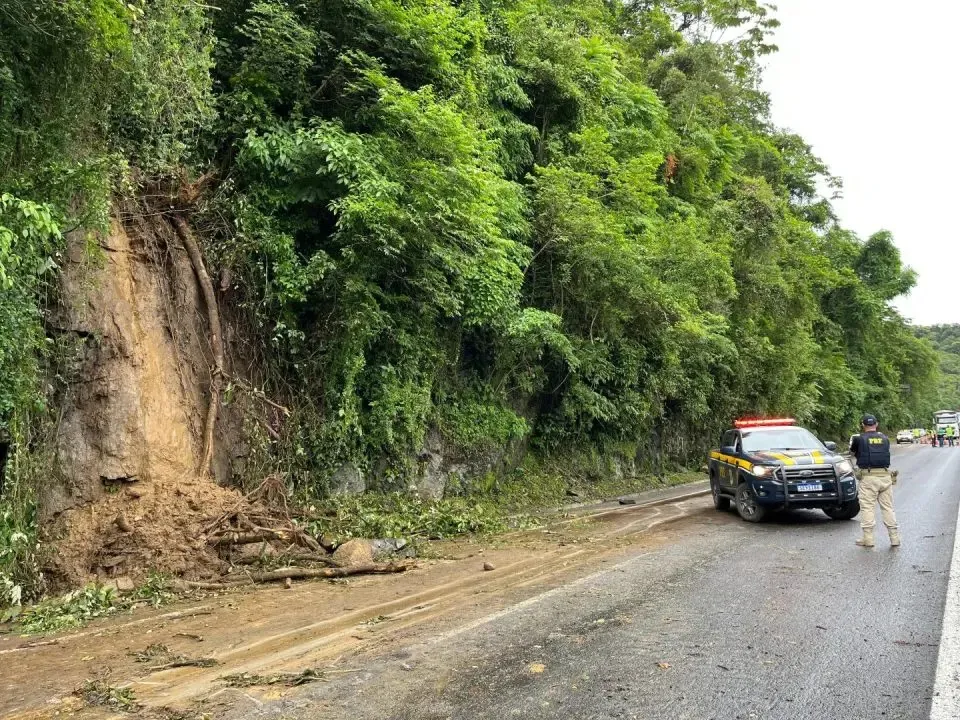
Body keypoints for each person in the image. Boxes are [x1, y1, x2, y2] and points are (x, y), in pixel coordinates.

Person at [849, 414, 900, 548]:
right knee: (888, 508)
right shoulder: (885, 438)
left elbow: (853, 452)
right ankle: (894, 538)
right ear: (876, 424)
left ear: (863, 425)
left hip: (868, 477)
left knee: (867, 507)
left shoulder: (859, 439)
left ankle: (868, 539)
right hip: (885, 476)